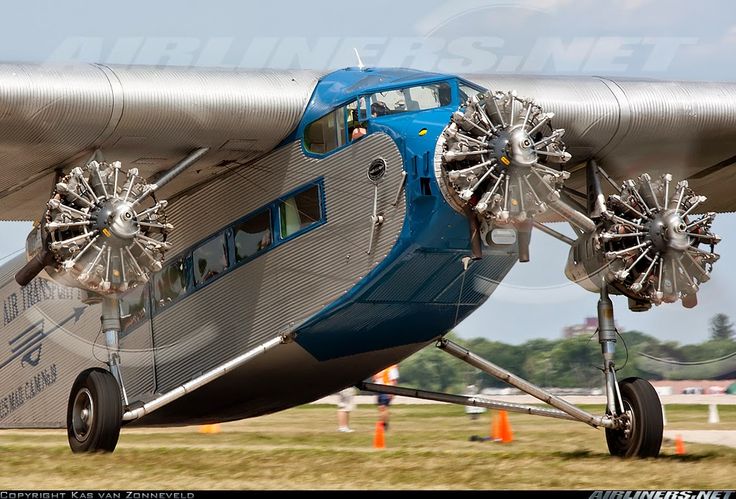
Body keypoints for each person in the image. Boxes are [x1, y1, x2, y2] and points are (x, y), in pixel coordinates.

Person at [372, 364, 399, 430]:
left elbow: (394, 380)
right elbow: (374, 379)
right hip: (378, 389)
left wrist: (392, 391)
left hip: (387, 389)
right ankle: (384, 424)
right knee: (380, 408)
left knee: (383, 407)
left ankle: (383, 425)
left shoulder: (392, 367)